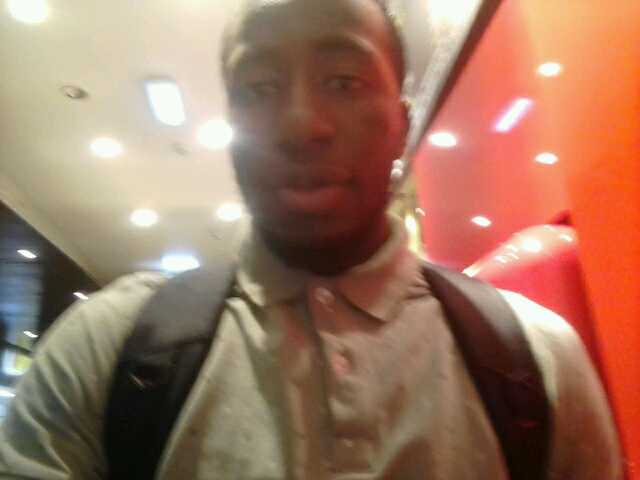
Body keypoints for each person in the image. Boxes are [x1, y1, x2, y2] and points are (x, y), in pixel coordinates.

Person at [0, 0, 622, 478]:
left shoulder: (537, 360)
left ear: (401, 123)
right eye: (259, 89)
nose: (300, 125)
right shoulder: (106, 350)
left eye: (343, 82)